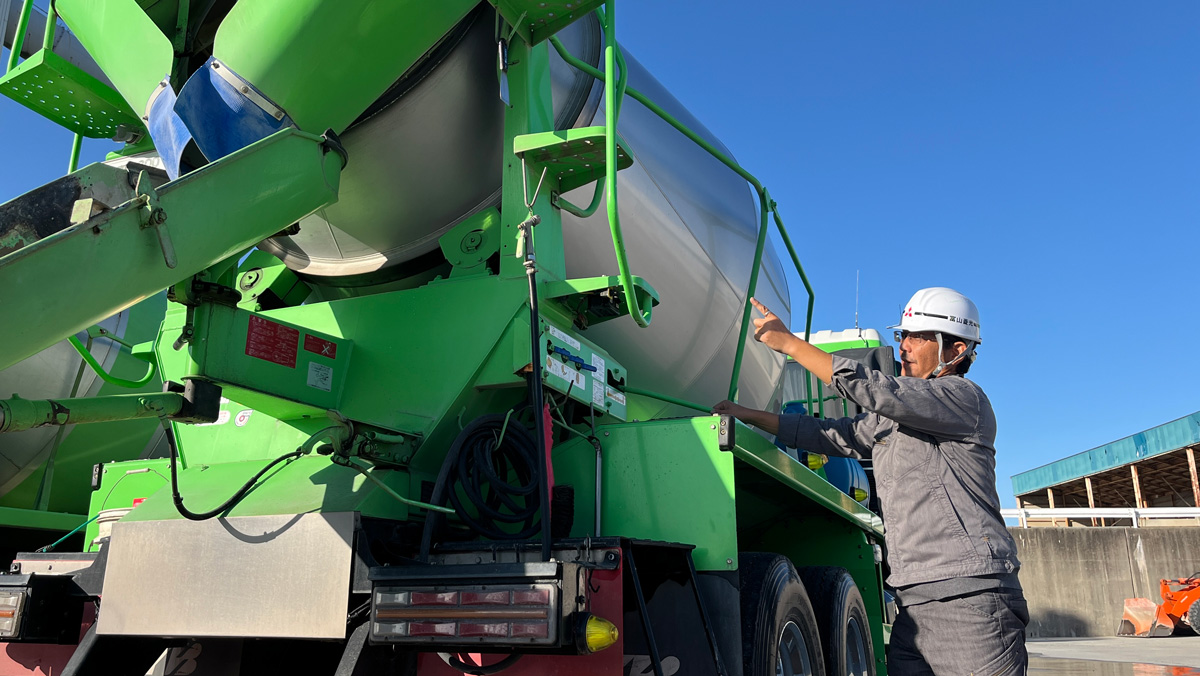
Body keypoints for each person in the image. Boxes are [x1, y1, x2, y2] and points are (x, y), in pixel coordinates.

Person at [714, 287, 1028, 676]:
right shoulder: (895, 420)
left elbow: (878, 389)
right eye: (901, 336)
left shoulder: (963, 399)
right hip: (914, 601)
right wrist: (750, 416)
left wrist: (792, 345)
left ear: (955, 349)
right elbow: (834, 434)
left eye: (916, 337)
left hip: (970, 598)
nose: (904, 347)